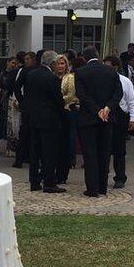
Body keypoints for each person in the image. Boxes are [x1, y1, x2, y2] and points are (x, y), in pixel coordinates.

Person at [74, 47, 122, 197]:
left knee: (90, 154)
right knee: (104, 153)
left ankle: (92, 188)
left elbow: (82, 96)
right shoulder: (111, 71)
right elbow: (118, 93)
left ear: (84, 58)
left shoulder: (80, 73)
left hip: (88, 119)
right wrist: (107, 108)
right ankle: (102, 186)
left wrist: (96, 110)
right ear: (97, 56)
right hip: (107, 119)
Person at [23, 50, 66, 193]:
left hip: (34, 118)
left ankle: (34, 181)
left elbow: (27, 96)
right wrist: (63, 111)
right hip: (49, 120)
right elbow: (58, 100)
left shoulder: (31, 75)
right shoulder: (52, 78)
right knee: (49, 152)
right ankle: (49, 182)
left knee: (35, 151)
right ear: (53, 63)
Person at [106, 55, 134, 188]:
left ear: (115, 67)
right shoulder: (102, 81)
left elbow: (132, 101)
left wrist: (133, 118)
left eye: (108, 66)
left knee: (119, 150)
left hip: (120, 117)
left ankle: (120, 177)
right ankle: (103, 175)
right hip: (107, 116)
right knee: (105, 149)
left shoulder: (125, 81)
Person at [55, 53, 78, 185]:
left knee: (67, 142)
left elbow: (71, 95)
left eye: (62, 63)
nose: (60, 66)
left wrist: (56, 100)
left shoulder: (70, 78)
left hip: (67, 112)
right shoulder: (51, 77)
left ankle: (63, 173)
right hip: (54, 114)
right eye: (58, 63)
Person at [12, 51, 35, 167]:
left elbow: (17, 86)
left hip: (31, 104)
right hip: (28, 104)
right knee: (24, 132)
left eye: (27, 59)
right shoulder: (25, 71)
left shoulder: (31, 71)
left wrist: (22, 100)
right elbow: (16, 86)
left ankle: (27, 158)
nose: (25, 61)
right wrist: (21, 100)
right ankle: (20, 159)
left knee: (29, 133)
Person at [0, 56, 18, 155]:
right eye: (12, 63)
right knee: (0, 120)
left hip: (11, 97)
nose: (14, 65)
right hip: (3, 98)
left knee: (9, 122)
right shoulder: (2, 73)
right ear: (7, 63)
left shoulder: (16, 73)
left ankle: (9, 145)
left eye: (15, 63)